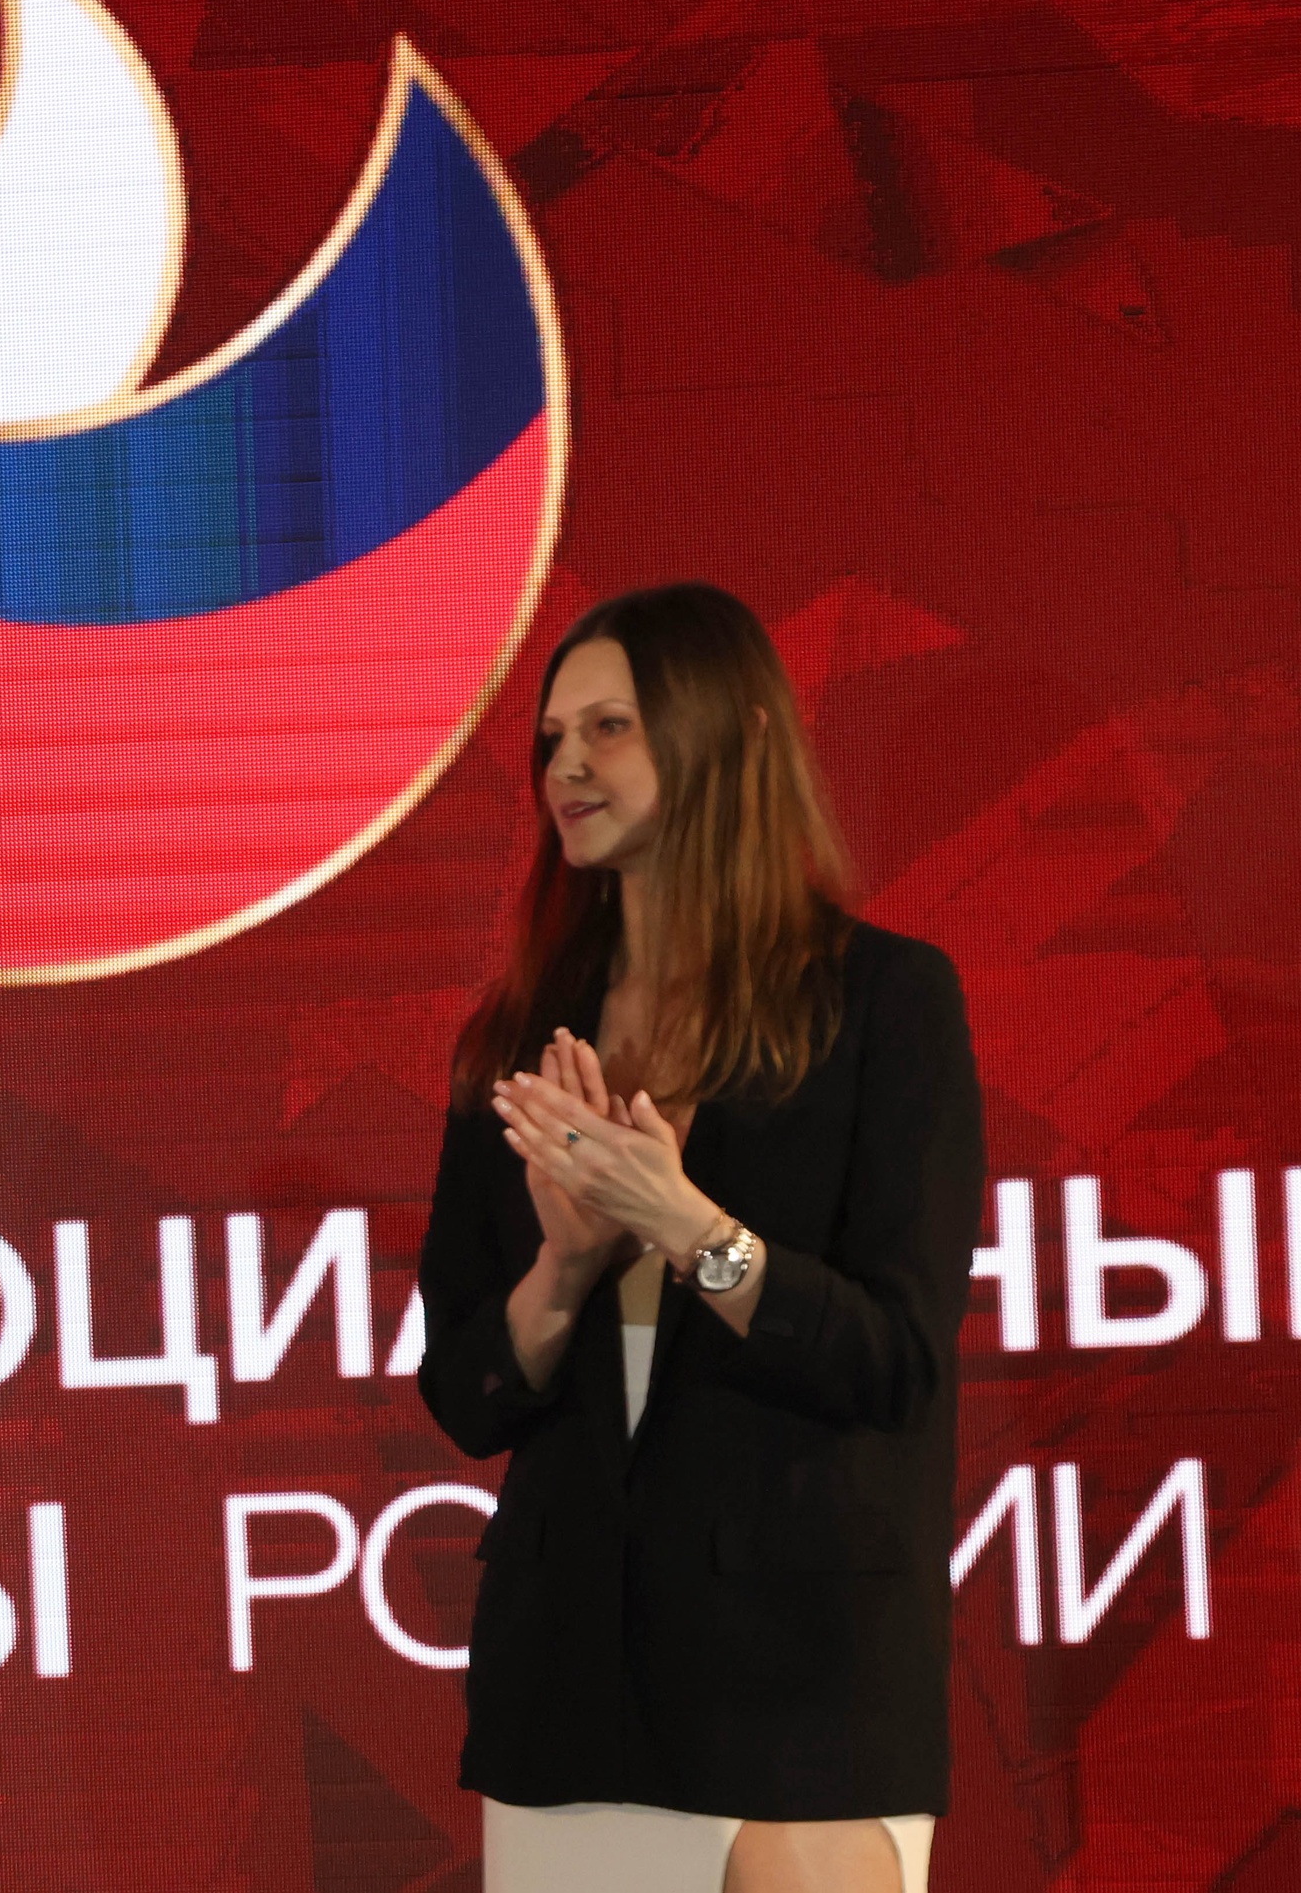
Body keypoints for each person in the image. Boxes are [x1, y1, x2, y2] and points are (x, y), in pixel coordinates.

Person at [414, 582, 983, 1893]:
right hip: (571, 1696)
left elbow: (895, 1361)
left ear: (728, 734)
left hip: (804, 1691)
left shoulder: (883, 1002)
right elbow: (464, 1391)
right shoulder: (522, 1037)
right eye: (552, 737)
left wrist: (688, 1226)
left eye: (608, 727)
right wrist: (564, 1270)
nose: (565, 765)